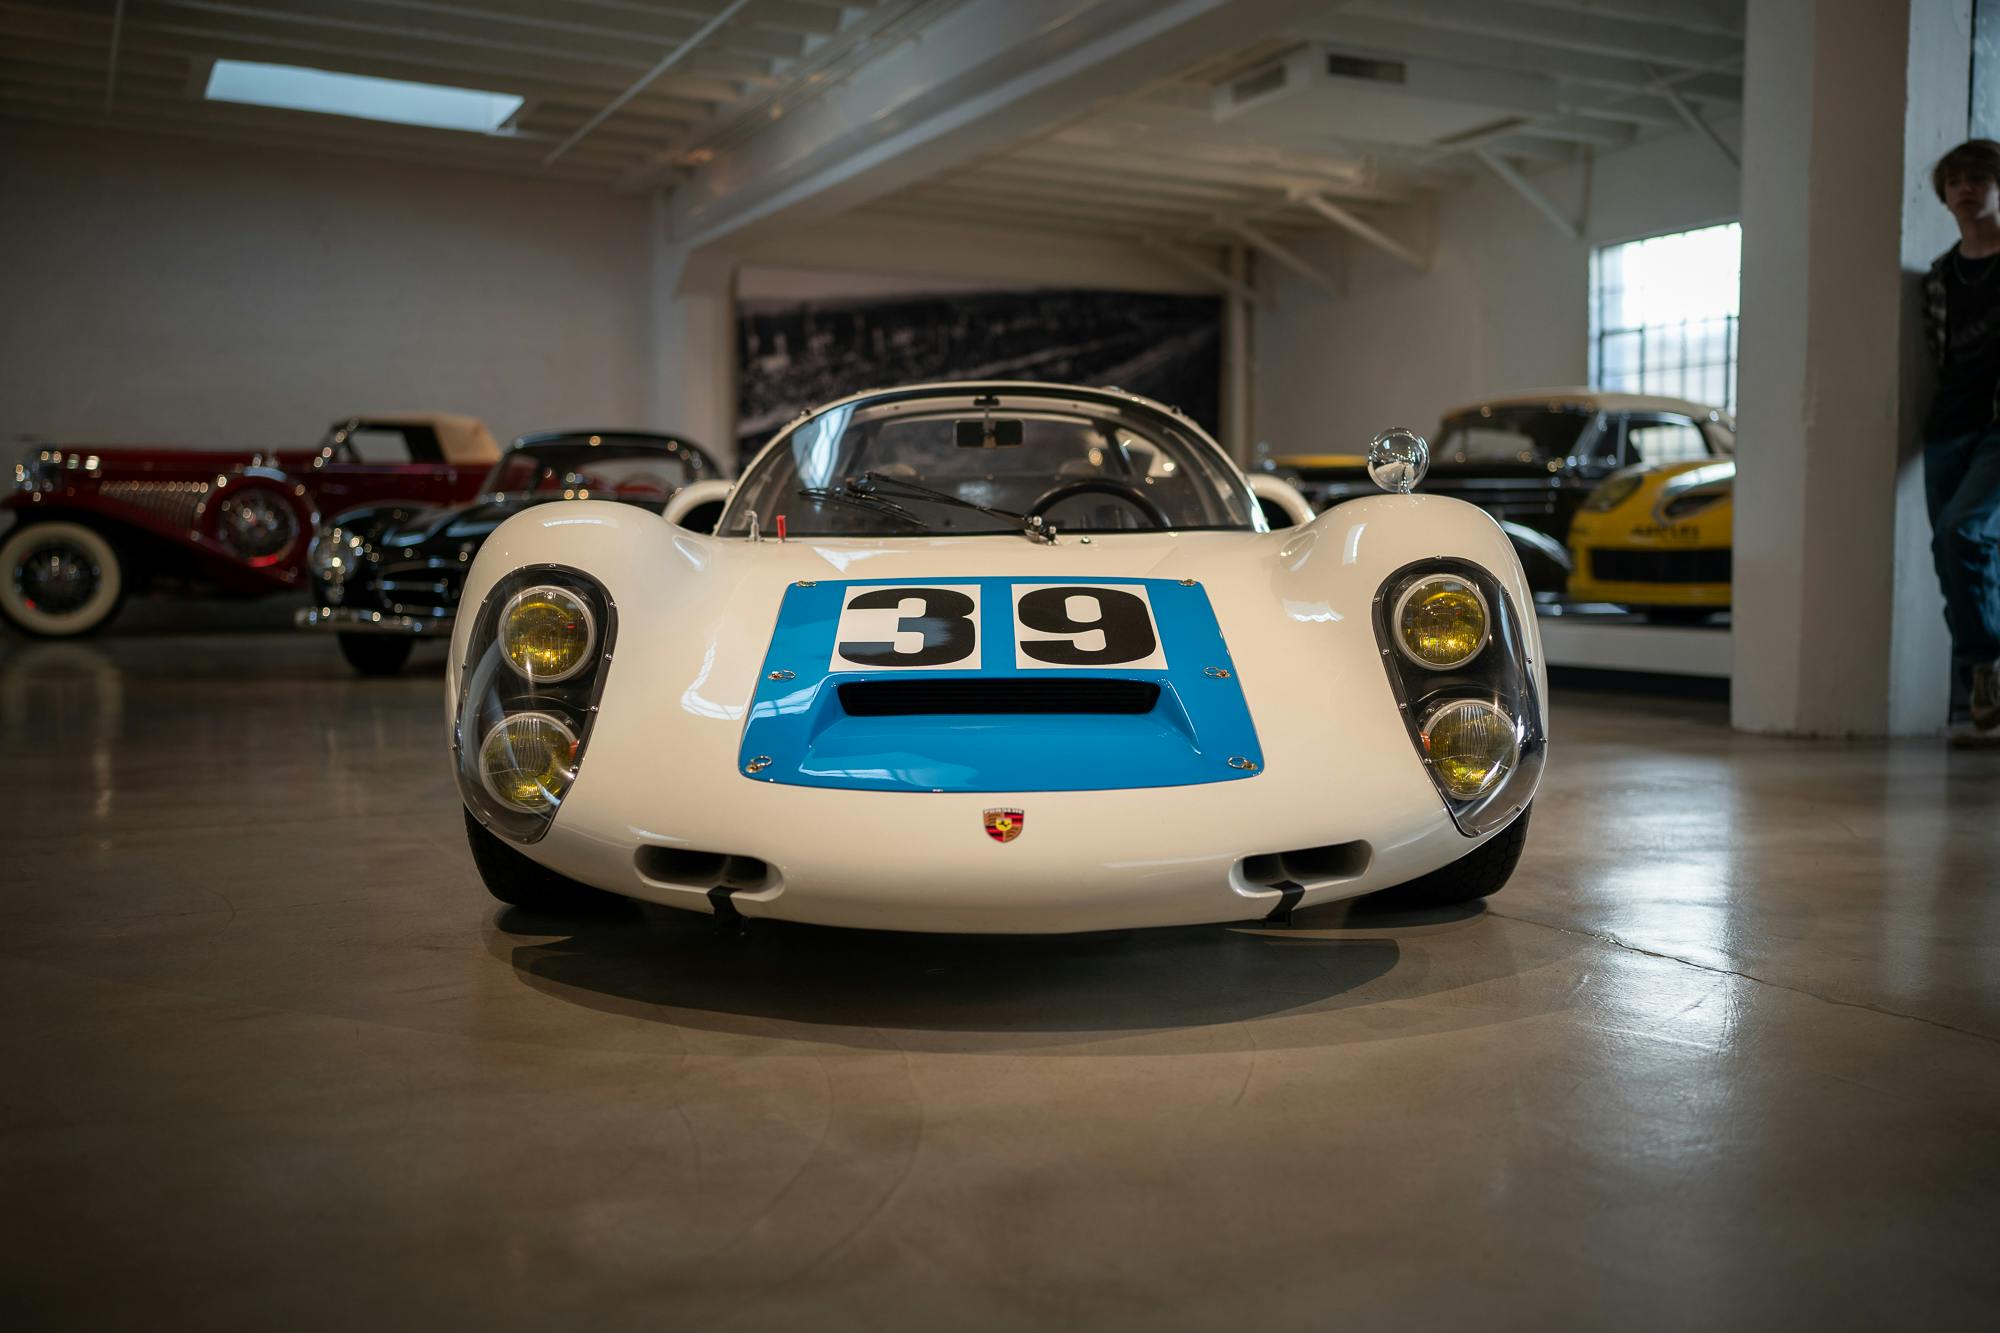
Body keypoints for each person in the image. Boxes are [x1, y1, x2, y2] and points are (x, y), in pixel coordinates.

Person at [1923, 140, 2000, 746]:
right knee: (1950, 553)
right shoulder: (1941, 277)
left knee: (1963, 532)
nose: (1966, 189)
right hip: (1947, 429)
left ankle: (1985, 667)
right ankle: (1981, 682)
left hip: (1998, 430)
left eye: (1978, 178)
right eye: (1955, 181)